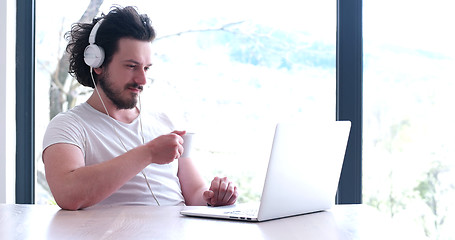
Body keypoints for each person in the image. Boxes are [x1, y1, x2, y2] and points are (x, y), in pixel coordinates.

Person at [42, 6, 238, 210]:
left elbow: (197, 194)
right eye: (131, 66)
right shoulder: (68, 126)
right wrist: (149, 153)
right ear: (97, 63)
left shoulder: (164, 121)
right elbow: (68, 194)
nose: (142, 79)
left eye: (146, 68)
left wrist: (215, 198)